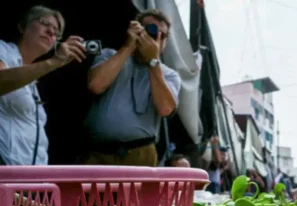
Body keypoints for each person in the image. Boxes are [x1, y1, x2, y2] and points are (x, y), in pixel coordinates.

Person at [84, 9, 181, 166]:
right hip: (99, 152)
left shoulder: (169, 75)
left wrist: (153, 61)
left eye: (162, 35)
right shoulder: (109, 55)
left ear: (165, 42)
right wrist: (129, 46)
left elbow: (166, 109)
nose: (156, 37)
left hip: (141, 153)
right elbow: (96, 85)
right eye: (149, 30)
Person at [0, 6, 86, 165]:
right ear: (22, 26)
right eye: (44, 23)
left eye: (56, 31)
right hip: (6, 173)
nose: (51, 32)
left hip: (31, 179)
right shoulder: (3, 50)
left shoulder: (33, 81)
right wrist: (54, 62)